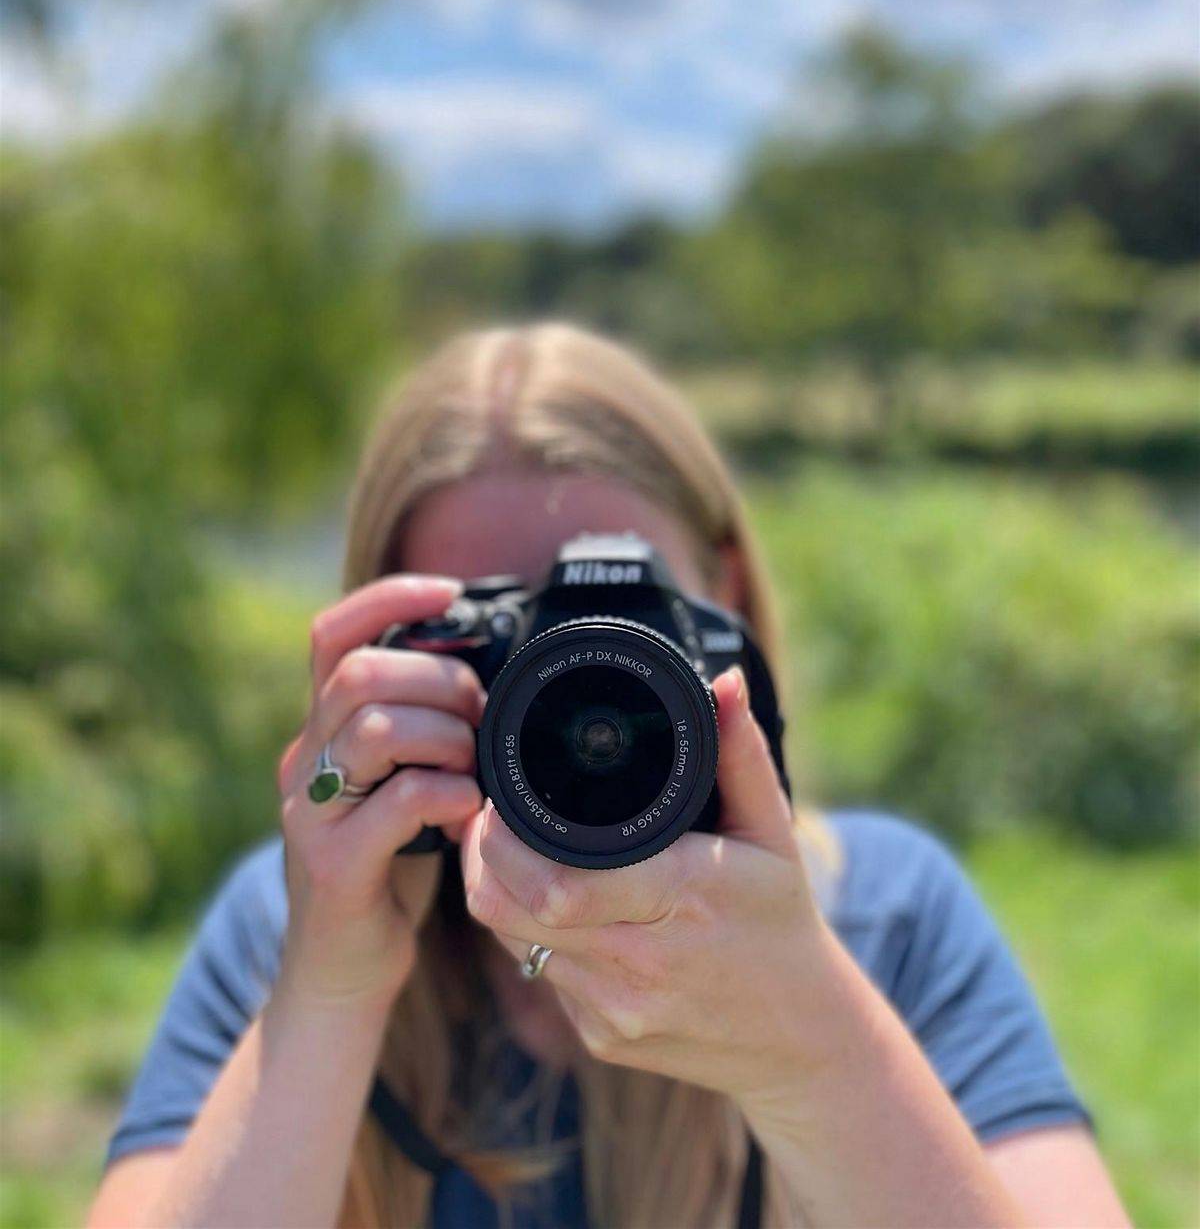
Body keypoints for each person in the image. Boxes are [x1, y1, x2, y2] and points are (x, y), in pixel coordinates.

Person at [87, 323, 1130, 1229]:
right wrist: (327, 992)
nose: (569, 680)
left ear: (722, 596)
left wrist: (815, 1049)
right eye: (507, 628)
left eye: (619, 617)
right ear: (392, 649)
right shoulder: (285, 935)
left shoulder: (885, 921)